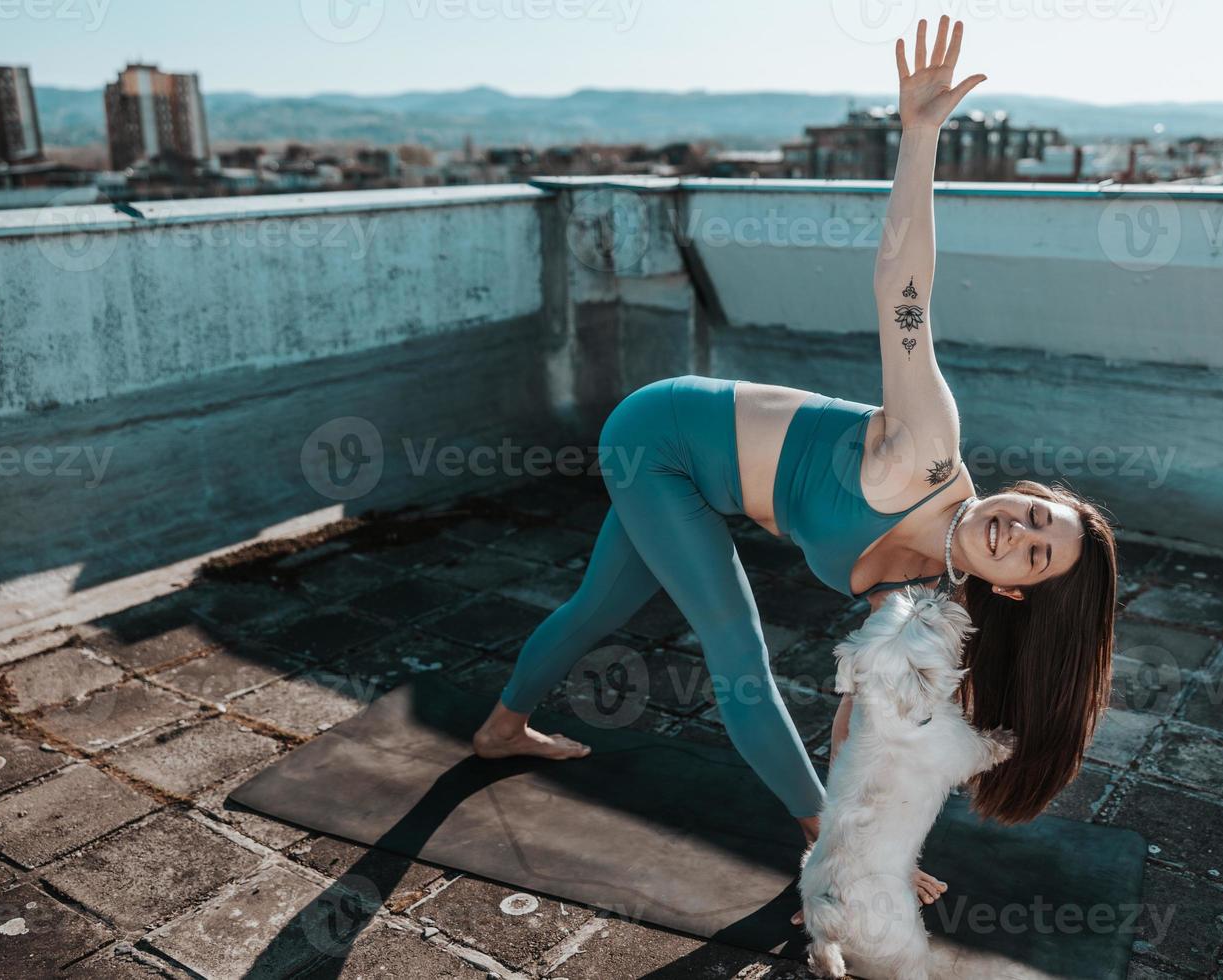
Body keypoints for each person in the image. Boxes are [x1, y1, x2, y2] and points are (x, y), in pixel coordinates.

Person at [473, 15, 1117, 912]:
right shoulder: (929, 452)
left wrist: (870, 837)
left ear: (1012, 591)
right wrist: (920, 135)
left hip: (700, 478)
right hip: (657, 434)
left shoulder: (932, 602)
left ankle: (502, 727)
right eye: (1035, 513)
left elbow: (860, 713)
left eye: (1034, 554)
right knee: (736, 645)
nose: (1018, 529)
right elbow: (903, 289)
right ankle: (805, 838)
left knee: (599, 604)